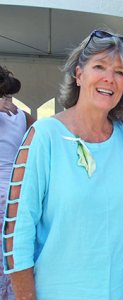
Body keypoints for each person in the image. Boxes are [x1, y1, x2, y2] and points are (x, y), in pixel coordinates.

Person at [2, 29, 123, 299]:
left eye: (119, 72)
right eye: (99, 66)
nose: (109, 79)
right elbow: (16, 235)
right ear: (79, 74)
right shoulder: (44, 136)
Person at [0, 66, 35, 300]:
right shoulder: (21, 115)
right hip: (14, 199)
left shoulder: (21, 116)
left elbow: (42, 135)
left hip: (13, 200)